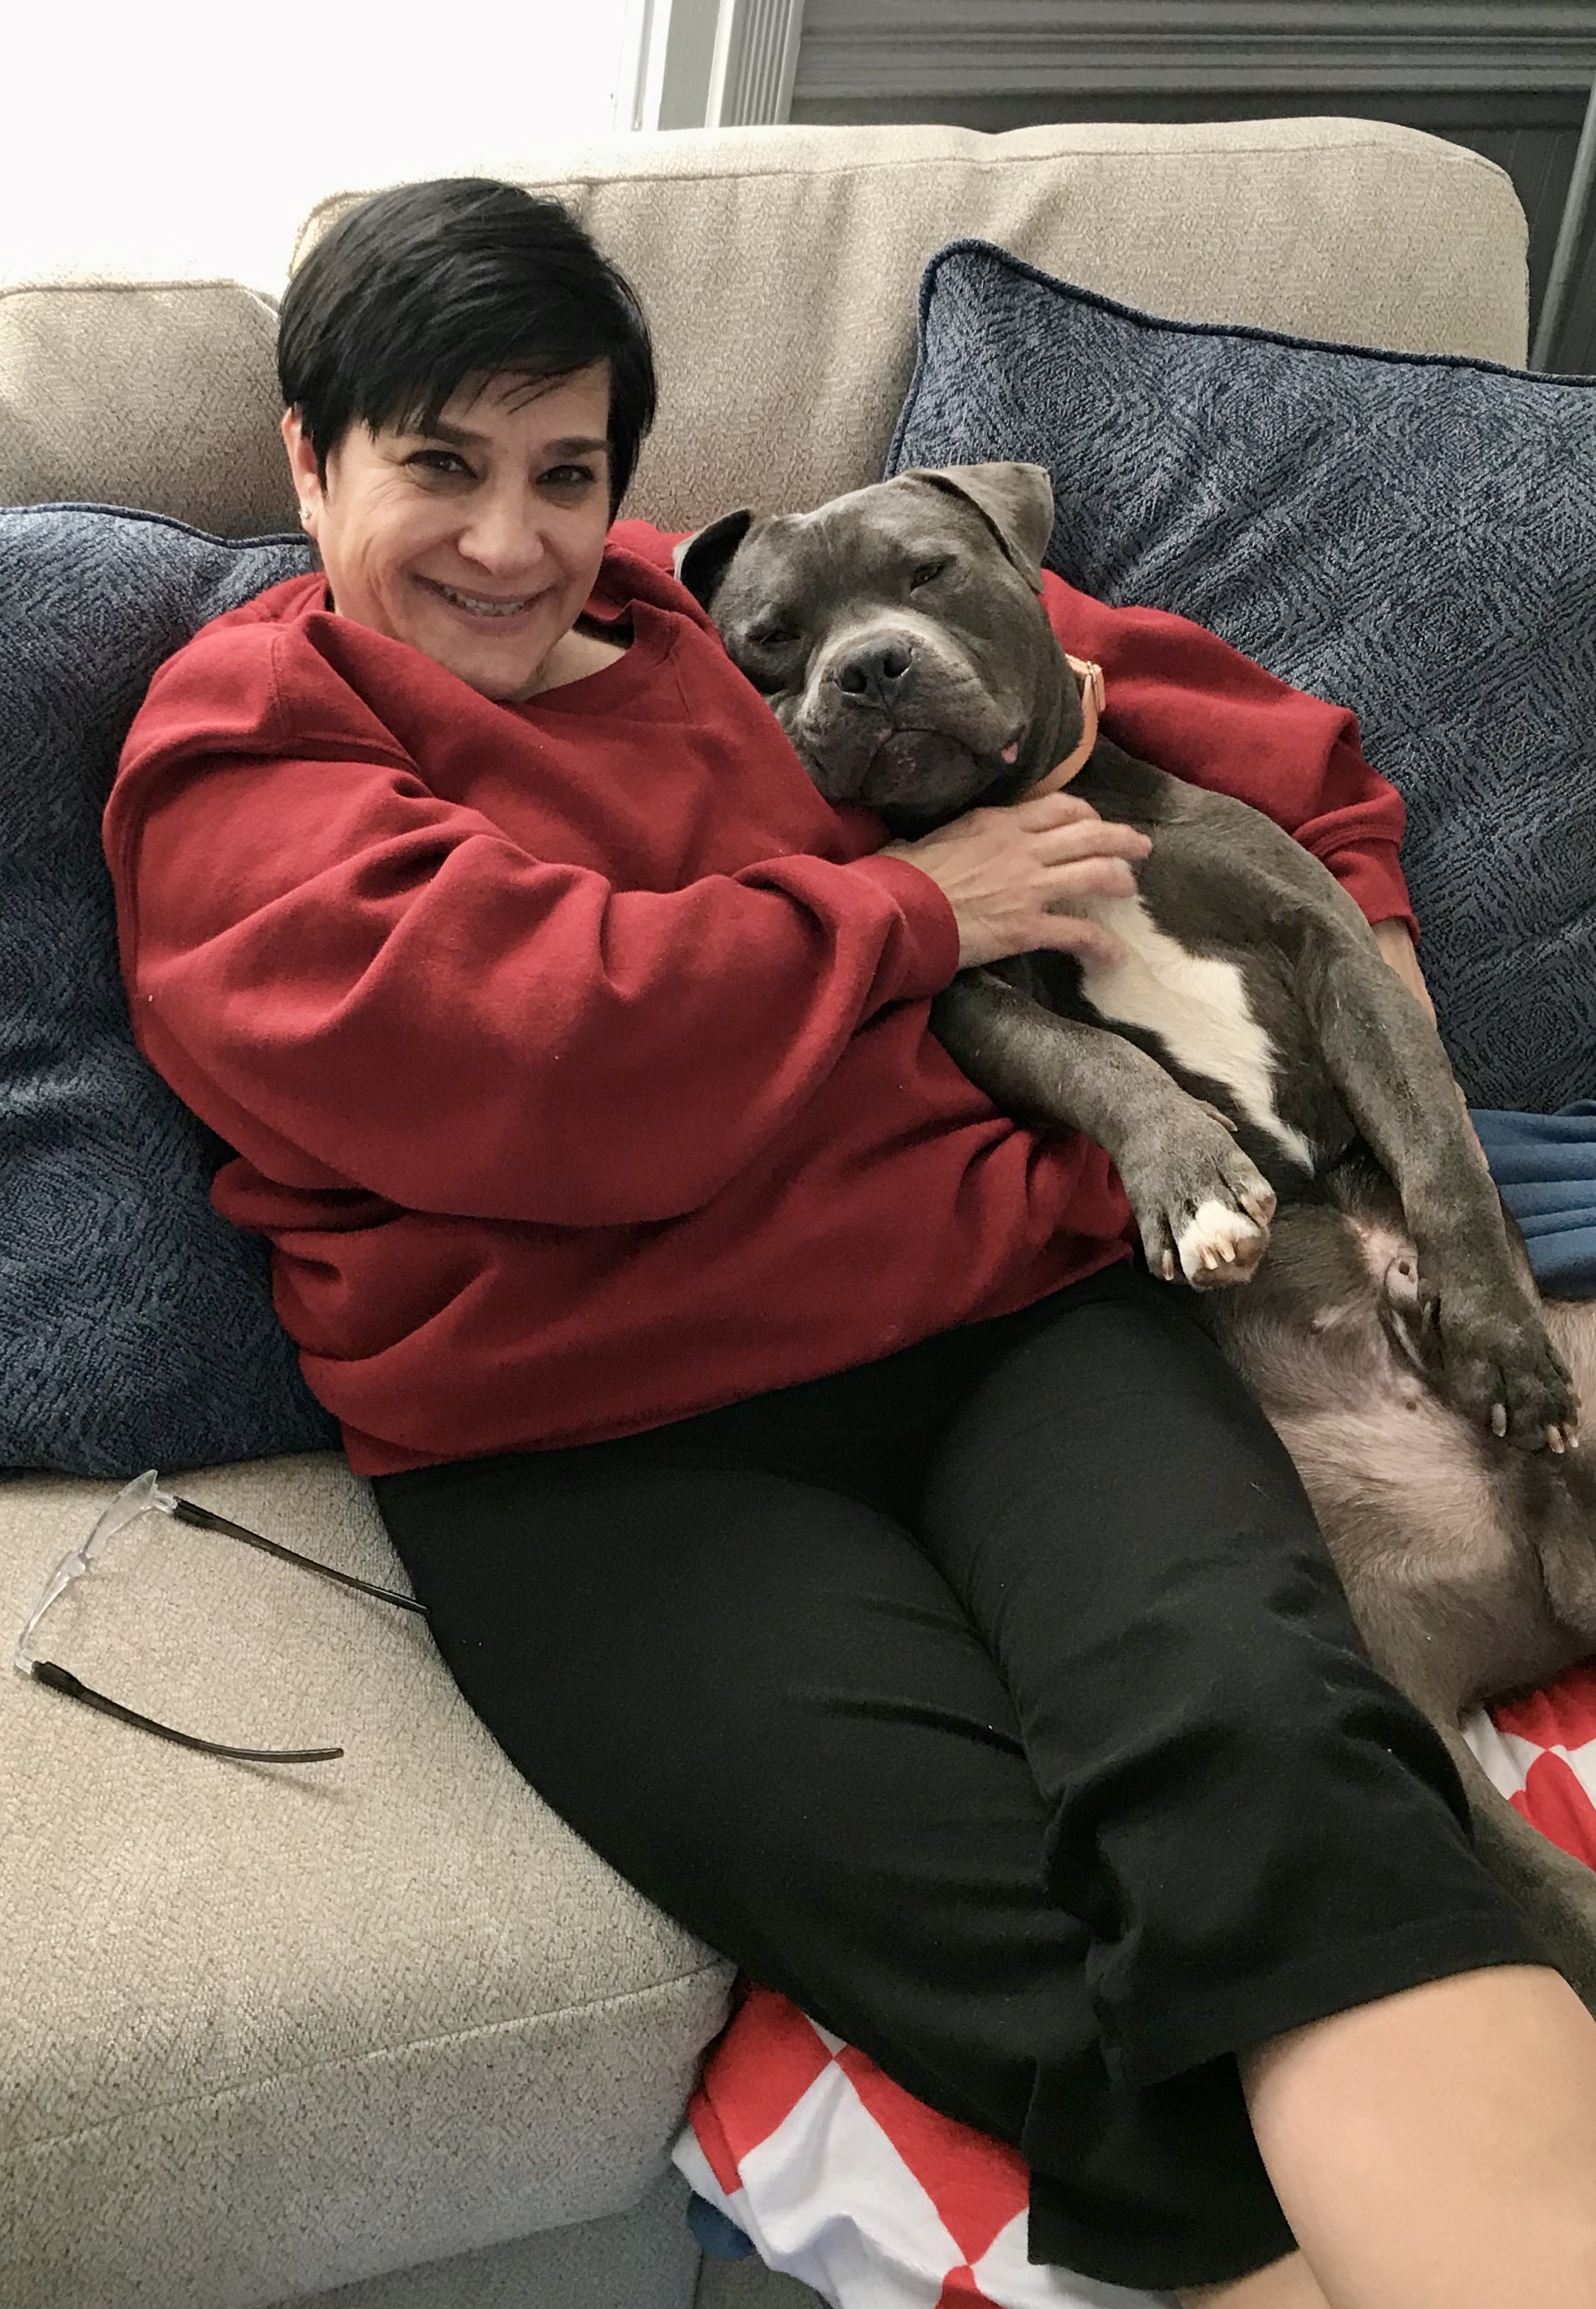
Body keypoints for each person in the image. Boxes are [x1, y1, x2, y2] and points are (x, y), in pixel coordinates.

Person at [103, 178, 1596, 2309]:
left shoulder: (720, 611)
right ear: (307, 461)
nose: (511, 543)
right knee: (994, 1931)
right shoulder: (245, 739)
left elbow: (1147, 693)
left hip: (1011, 1321)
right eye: (439, 466)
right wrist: (911, 912)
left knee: (1266, 1732)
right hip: (596, 1453)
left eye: (565, 471)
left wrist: (1357, 931)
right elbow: (525, 1058)